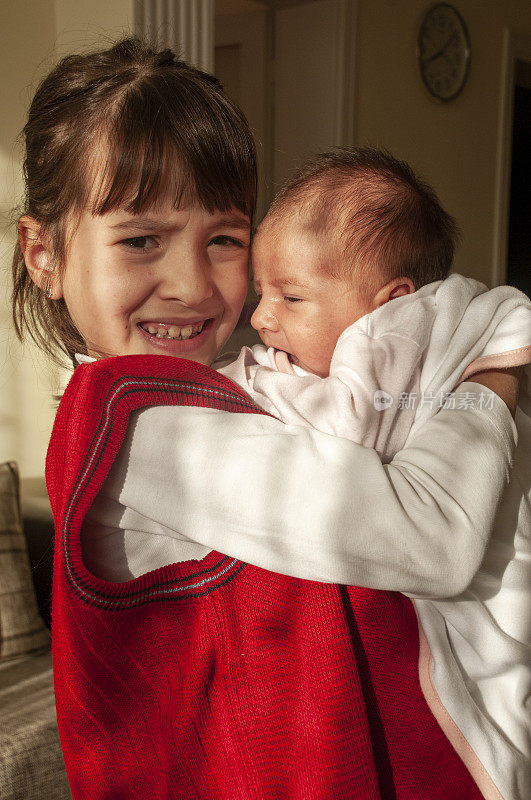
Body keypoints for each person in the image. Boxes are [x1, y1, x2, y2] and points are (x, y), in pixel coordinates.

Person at [13, 36, 525, 800]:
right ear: (43, 254)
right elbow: (433, 537)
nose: (190, 283)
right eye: (141, 240)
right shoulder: (137, 427)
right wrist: (488, 376)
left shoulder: (227, 387)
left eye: (223, 239)